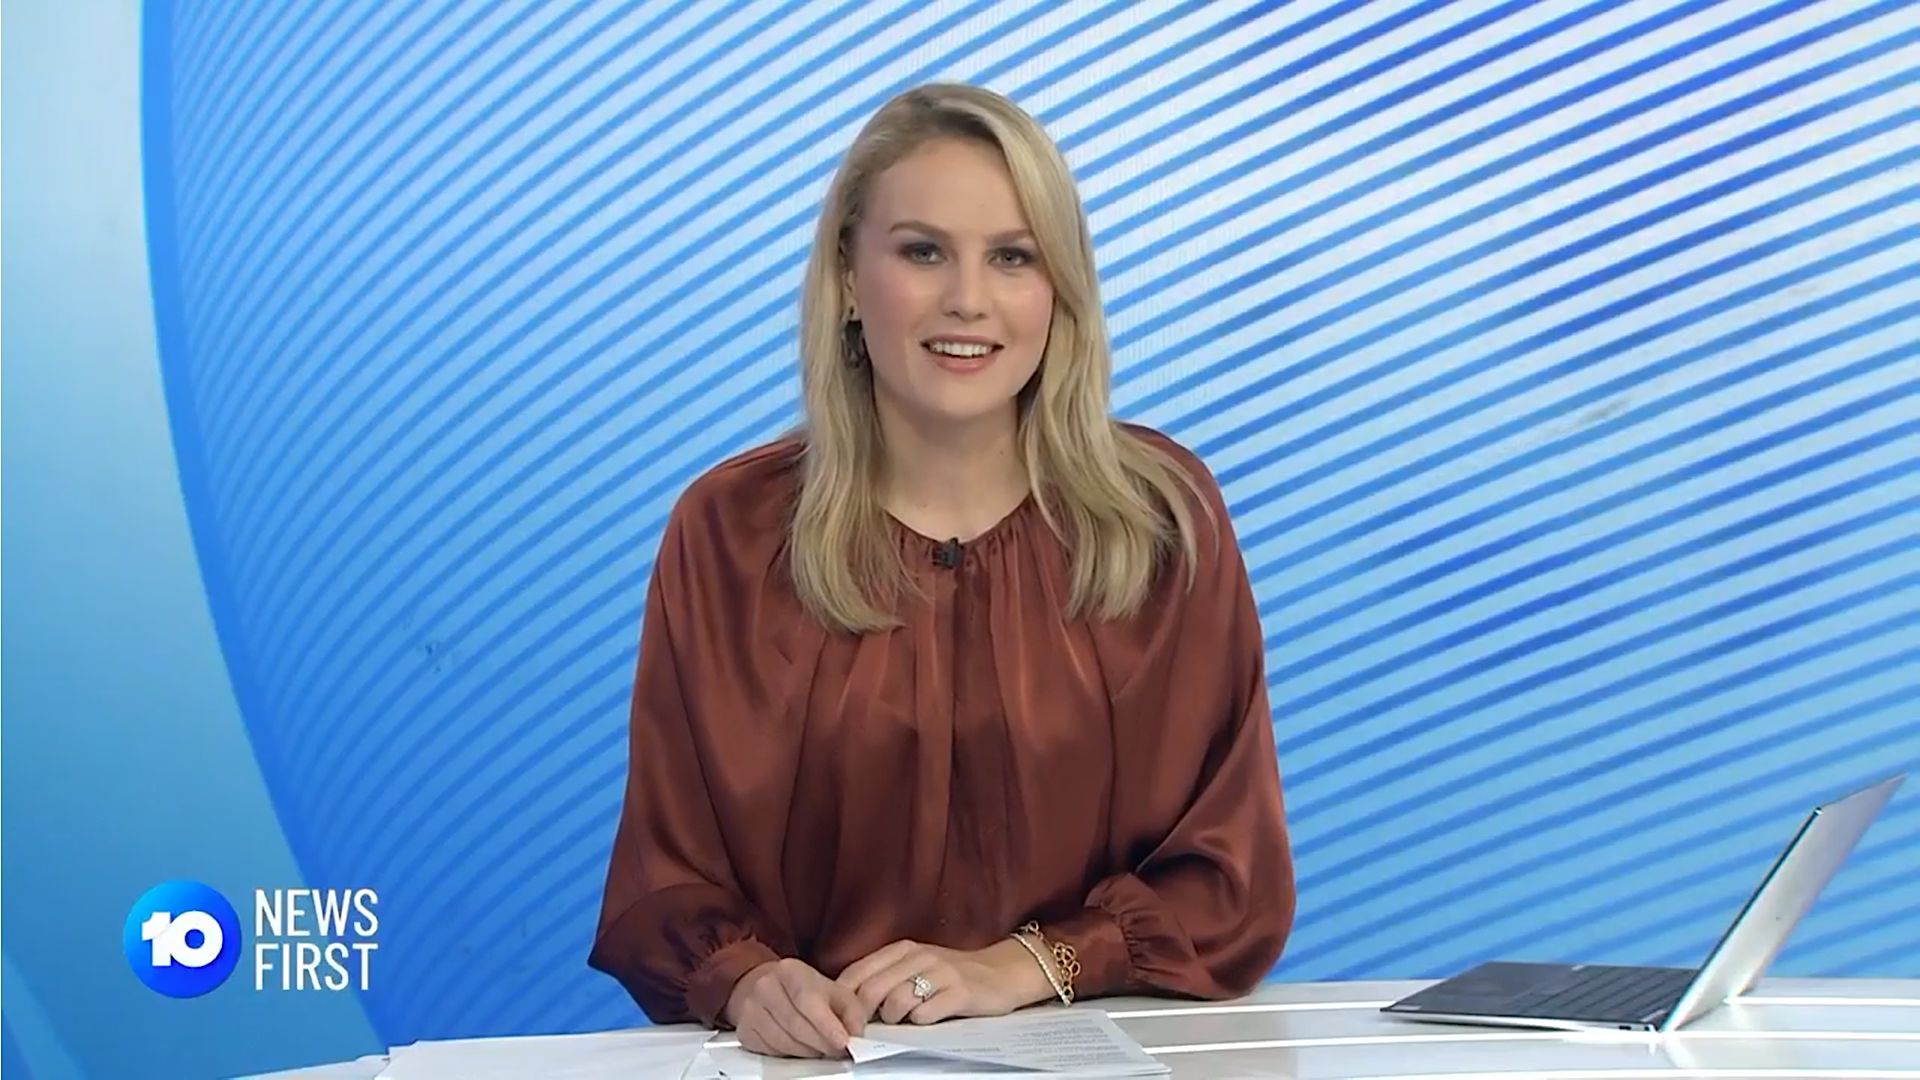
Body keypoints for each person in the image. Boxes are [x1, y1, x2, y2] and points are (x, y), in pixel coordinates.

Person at [587, 82, 1294, 1060]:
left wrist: (1025, 965)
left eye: (1013, 256)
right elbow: (667, 877)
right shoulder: (730, 532)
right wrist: (749, 981)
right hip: (824, 1063)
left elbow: (1230, 879)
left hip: (1095, 1057)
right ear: (847, 275)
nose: (968, 299)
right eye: (923, 252)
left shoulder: (1161, 517)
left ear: (1059, 287)